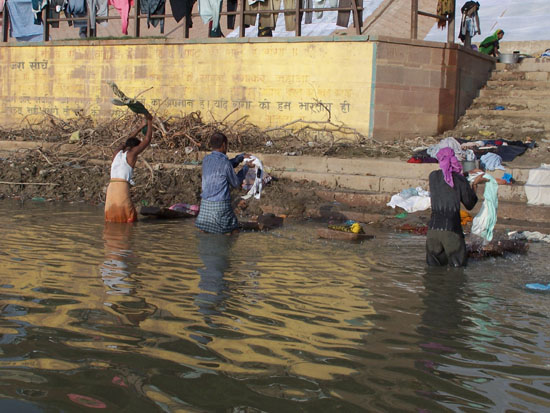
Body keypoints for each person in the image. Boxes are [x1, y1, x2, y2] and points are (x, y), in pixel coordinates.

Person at [426, 147, 486, 267]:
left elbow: (447, 178)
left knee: (433, 271)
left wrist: (465, 174)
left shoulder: (432, 177)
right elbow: (470, 204)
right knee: (457, 270)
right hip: (451, 231)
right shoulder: (460, 180)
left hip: (433, 231)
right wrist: (474, 185)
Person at [195, 132, 251, 234]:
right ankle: (230, 249)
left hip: (205, 205)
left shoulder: (206, 160)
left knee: (205, 229)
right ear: (224, 145)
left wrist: (240, 158)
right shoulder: (225, 163)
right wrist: (246, 167)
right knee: (234, 230)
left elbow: (224, 167)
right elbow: (236, 183)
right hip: (220, 206)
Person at [104, 113, 153, 223]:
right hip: (121, 187)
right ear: (136, 147)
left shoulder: (117, 152)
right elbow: (147, 139)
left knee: (111, 218)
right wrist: (150, 121)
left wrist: (140, 127)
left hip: (111, 187)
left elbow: (127, 141)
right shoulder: (132, 154)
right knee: (129, 218)